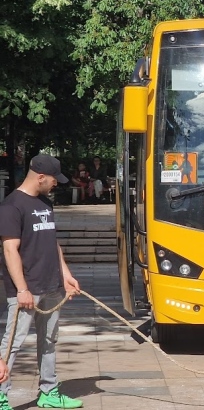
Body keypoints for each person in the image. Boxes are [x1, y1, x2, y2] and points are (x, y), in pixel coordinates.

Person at [0, 154, 83, 409]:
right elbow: (10, 249)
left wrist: (66, 275)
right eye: (53, 180)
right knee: (12, 343)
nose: (56, 184)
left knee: (48, 340)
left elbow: (52, 242)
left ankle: (49, 392)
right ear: (41, 177)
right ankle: (1, 395)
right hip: (27, 289)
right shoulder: (11, 206)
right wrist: (22, 289)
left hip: (52, 286)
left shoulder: (46, 203)